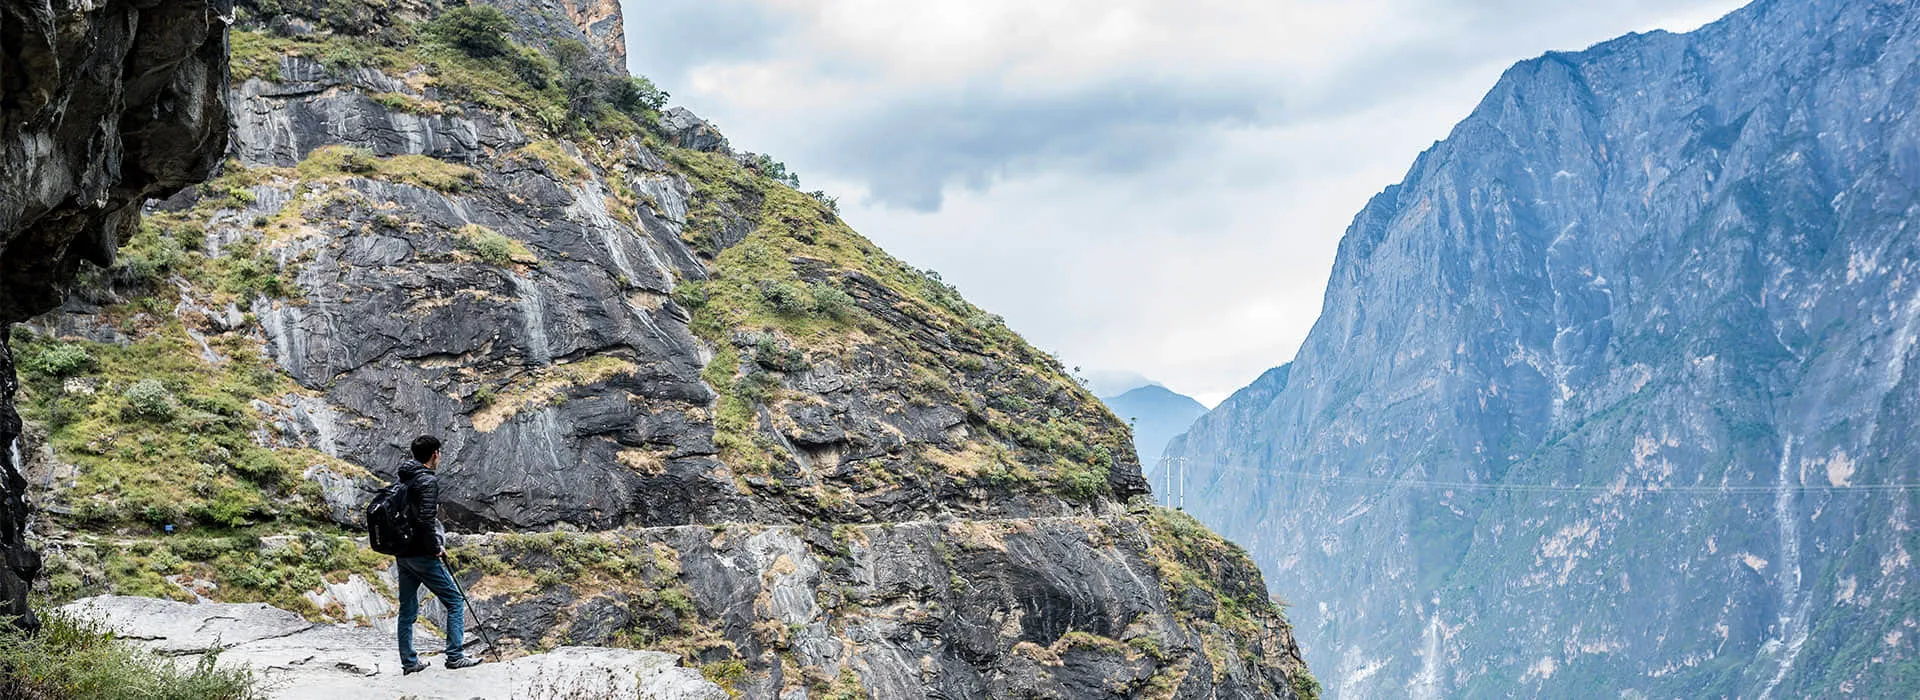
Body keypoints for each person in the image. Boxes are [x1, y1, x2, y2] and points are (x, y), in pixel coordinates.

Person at [393, 435, 482, 673]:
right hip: (422, 553)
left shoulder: (403, 478)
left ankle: (409, 663)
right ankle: (455, 655)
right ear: (435, 454)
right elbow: (425, 520)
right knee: (454, 601)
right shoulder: (427, 481)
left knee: (407, 609)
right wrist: (436, 548)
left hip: (402, 552)